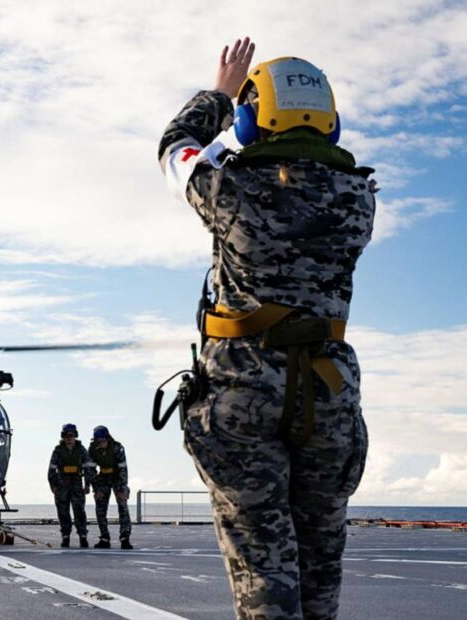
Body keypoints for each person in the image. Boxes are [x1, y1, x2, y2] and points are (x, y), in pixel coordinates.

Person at [158, 38, 374, 619]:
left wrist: (220, 96)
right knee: (321, 555)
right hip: (328, 394)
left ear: (256, 118)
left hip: (243, 392)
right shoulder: (358, 197)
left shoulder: (228, 188)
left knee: (262, 561)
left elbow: (174, 149)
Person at [47, 423, 95, 548]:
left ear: (75, 436)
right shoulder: (58, 450)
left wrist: (88, 484)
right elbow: (52, 468)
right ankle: (65, 536)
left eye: (71, 435)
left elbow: (87, 468)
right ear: (63, 437)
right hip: (62, 483)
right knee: (63, 511)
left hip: (77, 483)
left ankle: (83, 536)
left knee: (79, 510)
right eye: (66, 435)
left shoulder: (81, 450)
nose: (69, 438)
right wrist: (52, 484)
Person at [87, 426, 132, 550]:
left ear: (107, 438)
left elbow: (123, 469)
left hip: (117, 476)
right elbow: (90, 470)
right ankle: (104, 538)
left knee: (122, 505)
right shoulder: (92, 449)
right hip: (103, 477)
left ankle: (125, 538)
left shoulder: (118, 448)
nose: (100, 444)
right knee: (100, 507)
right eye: (97, 442)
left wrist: (122, 488)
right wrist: (96, 489)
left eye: (102, 441)